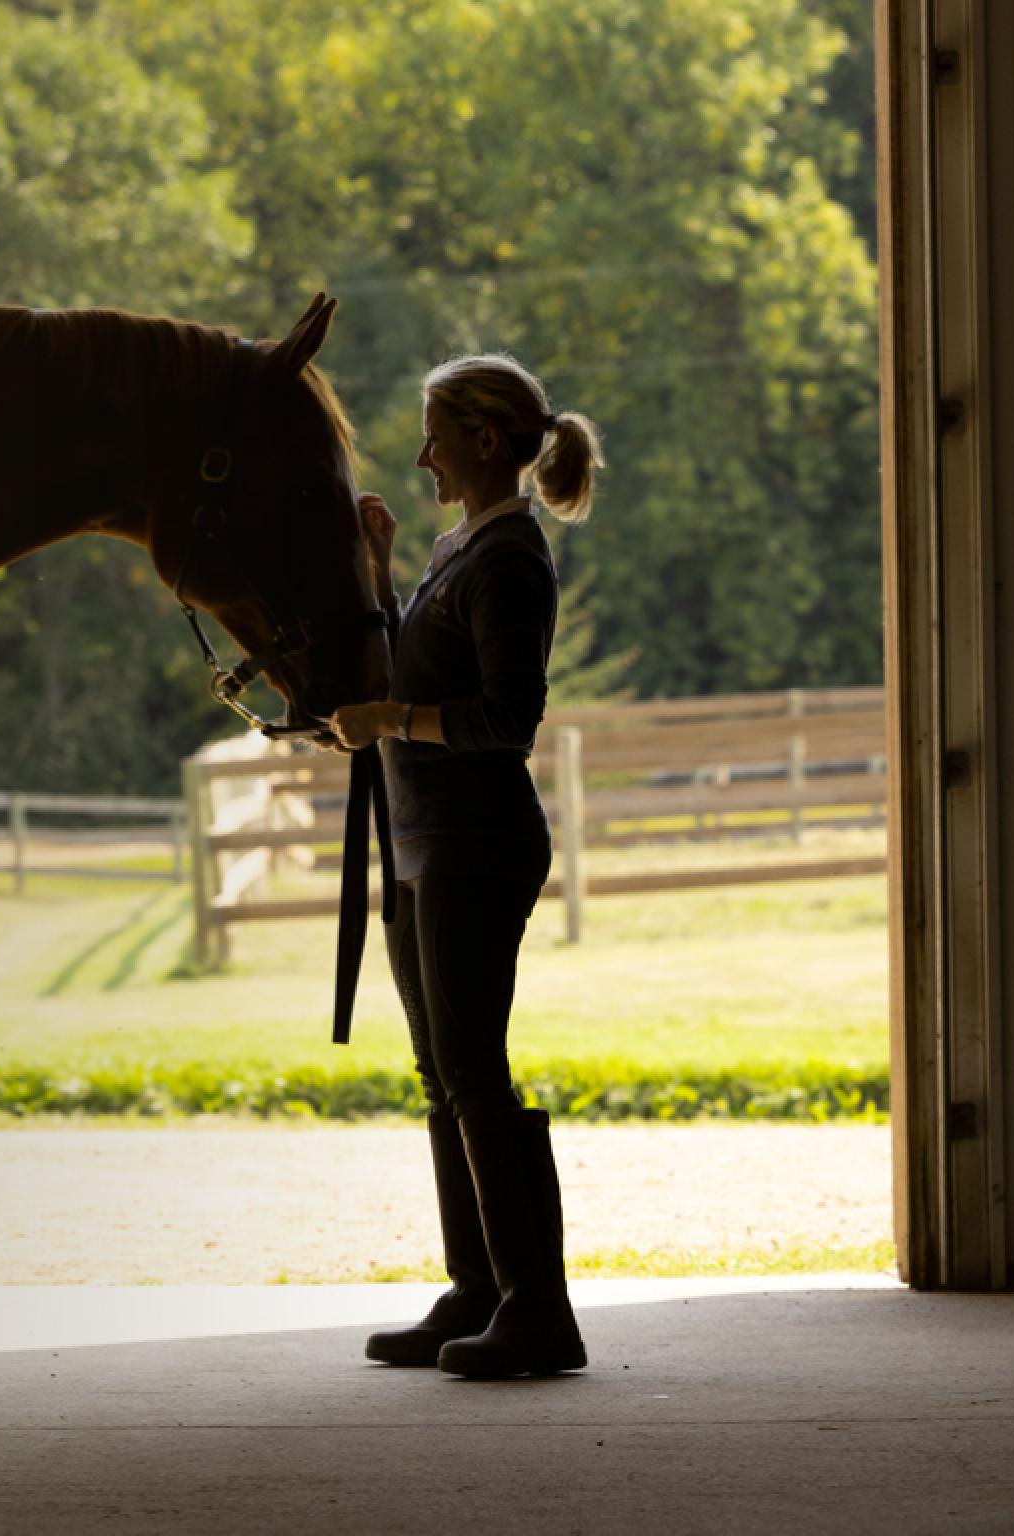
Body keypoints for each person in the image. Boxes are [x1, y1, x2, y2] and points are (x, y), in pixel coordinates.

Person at [325, 354, 604, 1378]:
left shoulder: (509, 562)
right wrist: (379, 573)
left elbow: (505, 720)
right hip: (423, 842)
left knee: (475, 1070)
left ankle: (539, 1308)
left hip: (476, 848)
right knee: (443, 1074)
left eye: (435, 433)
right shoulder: (461, 550)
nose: (422, 453)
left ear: (485, 442)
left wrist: (390, 718)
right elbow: (421, 666)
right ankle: (481, 1288)